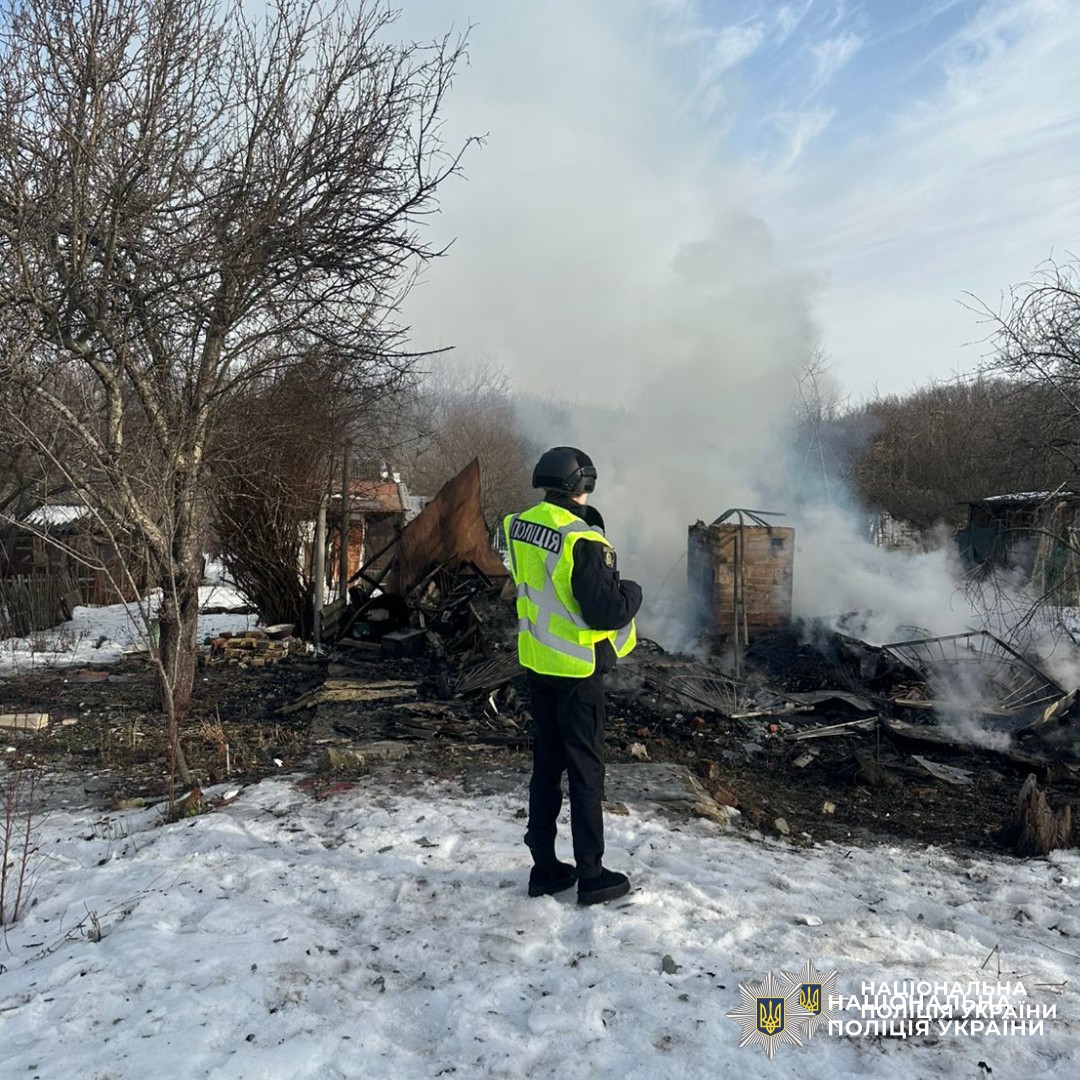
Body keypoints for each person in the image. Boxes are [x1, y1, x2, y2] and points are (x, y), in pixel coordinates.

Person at [503, 446, 643, 905]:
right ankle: (591, 875)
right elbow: (606, 612)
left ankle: (544, 867)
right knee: (586, 772)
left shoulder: (517, 525)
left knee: (546, 767)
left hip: (538, 664)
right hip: (577, 673)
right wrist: (631, 590)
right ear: (583, 486)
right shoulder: (583, 541)